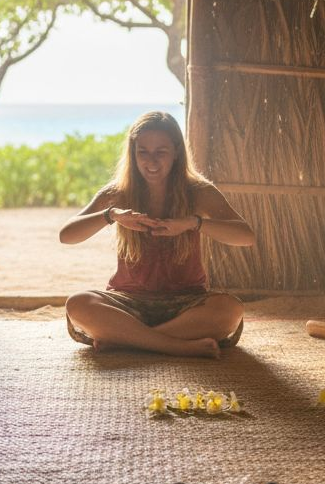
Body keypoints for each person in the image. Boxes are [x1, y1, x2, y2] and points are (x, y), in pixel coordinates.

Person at [60, 111, 254, 358]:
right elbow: (67, 235)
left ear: (176, 152)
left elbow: (246, 236)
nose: (151, 161)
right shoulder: (117, 193)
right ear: (133, 153)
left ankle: (128, 339)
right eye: (143, 152)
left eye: (160, 152)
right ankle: (175, 345)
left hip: (186, 304)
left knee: (230, 309)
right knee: (78, 304)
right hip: (126, 301)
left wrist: (193, 223)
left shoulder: (199, 192)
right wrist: (112, 216)